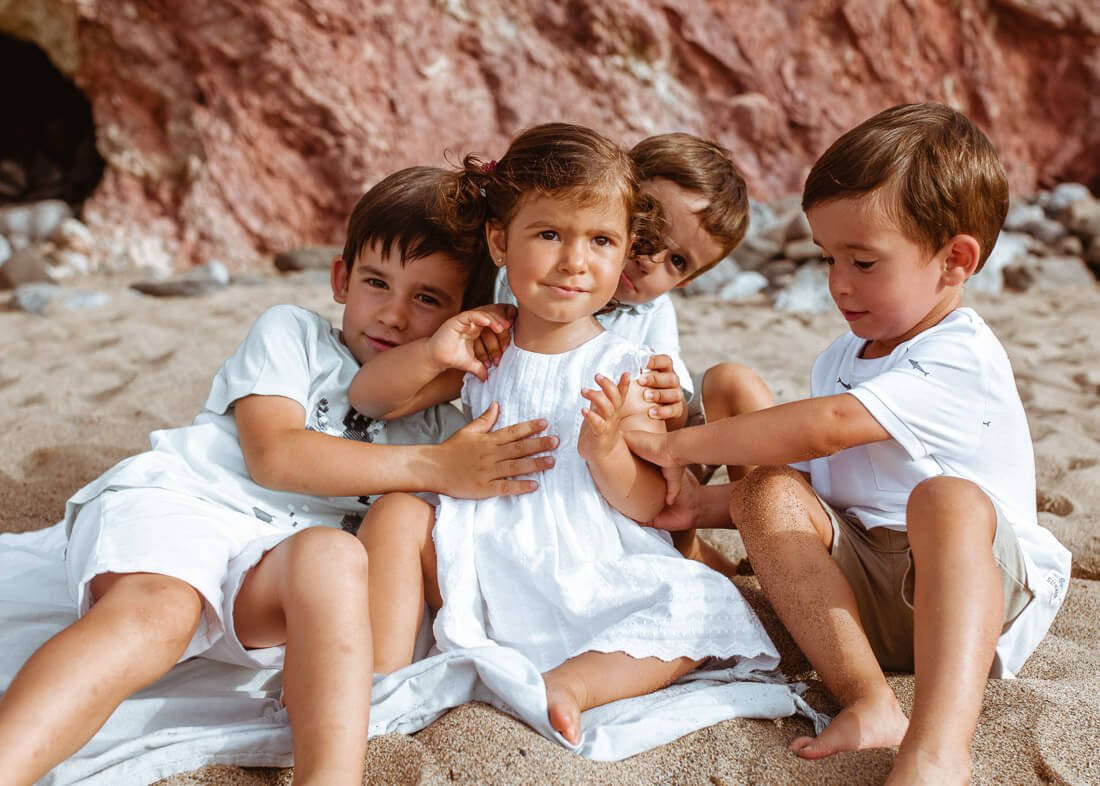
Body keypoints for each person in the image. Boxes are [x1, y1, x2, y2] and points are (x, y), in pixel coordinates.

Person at [0, 166, 557, 786]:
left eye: (428, 299)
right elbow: (276, 456)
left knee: (334, 554)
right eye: (378, 282)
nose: (395, 316)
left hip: (269, 571)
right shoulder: (292, 334)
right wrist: (435, 468)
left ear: (468, 317)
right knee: (158, 616)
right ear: (342, 279)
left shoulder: (442, 428)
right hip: (185, 510)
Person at [624, 103, 1072, 785]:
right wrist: (699, 507)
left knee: (946, 501)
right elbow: (813, 477)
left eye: (863, 261)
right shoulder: (842, 355)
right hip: (858, 601)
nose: (838, 282)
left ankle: (937, 750)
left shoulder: (960, 354)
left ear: (955, 260)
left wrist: (685, 447)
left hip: (966, 602)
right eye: (828, 257)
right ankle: (868, 698)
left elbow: (828, 426)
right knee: (768, 490)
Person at [349, 123, 778, 747]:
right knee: (394, 516)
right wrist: (434, 352)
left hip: (585, 554)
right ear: (500, 242)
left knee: (705, 605)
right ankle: (381, 681)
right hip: (487, 544)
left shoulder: (626, 365)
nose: (575, 260)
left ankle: (571, 684)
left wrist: (606, 453)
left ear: (624, 247)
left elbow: (650, 503)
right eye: (550, 235)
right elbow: (371, 399)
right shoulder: (489, 342)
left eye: (601, 241)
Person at [492, 132, 773, 573]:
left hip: (648, 465)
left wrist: (671, 401)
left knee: (734, 383)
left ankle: (773, 537)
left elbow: (667, 431)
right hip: (569, 462)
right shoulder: (539, 277)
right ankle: (693, 553)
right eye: (647, 229)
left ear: (684, 283)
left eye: (677, 262)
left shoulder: (654, 312)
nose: (651, 258)